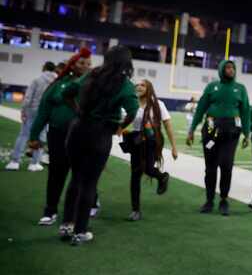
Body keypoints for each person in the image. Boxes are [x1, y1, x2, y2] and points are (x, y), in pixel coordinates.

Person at [62, 45, 138, 245]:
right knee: (89, 183)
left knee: (75, 178)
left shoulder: (91, 75)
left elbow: (67, 92)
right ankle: (80, 231)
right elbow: (132, 111)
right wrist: (120, 127)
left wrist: (78, 111)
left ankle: (67, 225)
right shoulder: (125, 84)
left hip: (77, 130)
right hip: (101, 133)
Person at [28, 49, 93, 228]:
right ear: (72, 64)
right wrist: (34, 135)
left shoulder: (93, 85)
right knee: (57, 173)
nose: (85, 67)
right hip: (58, 134)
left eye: (88, 64)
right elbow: (43, 111)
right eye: (81, 63)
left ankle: (77, 213)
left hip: (83, 136)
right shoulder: (58, 84)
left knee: (82, 175)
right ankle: (50, 211)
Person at [187, 59, 250, 216]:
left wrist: (247, 134)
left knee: (226, 165)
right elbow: (200, 108)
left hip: (231, 131)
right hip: (210, 129)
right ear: (221, 69)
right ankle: (209, 201)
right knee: (210, 167)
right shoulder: (212, 87)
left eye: (233, 67)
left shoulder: (240, 89)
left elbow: (246, 112)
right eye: (227, 67)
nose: (231, 70)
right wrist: (191, 130)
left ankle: (223, 199)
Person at [125, 79, 179, 221]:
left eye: (143, 85)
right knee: (135, 174)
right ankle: (135, 210)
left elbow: (167, 125)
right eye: (137, 85)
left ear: (149, 88)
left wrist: (174, 147)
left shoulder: (158, 104)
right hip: (136, 141)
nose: (139, 87)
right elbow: (125, 120)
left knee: (148, 169)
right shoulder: (132, 103)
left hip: (151, 141)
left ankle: (162, 177)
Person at [9, 61, 56, 171]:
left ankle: (15, 161)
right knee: (41, 137)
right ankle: (34, 163)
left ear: (44, 68)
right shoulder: (56, 81)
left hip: (32, 110)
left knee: (24, 135)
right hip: (46, 112)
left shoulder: (37, 80)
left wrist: (23, 110)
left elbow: (28, 97)